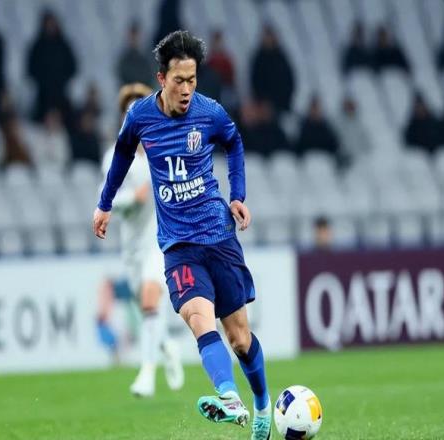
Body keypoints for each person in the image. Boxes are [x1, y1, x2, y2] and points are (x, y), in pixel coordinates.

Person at [93, 31, 272, 439]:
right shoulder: (140, 117)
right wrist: (105, 203)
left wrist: (238, 195)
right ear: (162, 79)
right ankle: (229, 397)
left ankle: (262, 404)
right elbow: (122, 155)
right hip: (178, 247)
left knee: (239, 338)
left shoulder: (210, 112)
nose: (187, 89)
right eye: (179, 81)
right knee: (197, 317)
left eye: (192, 80)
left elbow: (234, 143)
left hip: (219, 237)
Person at [97, 82, 184, 398]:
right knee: (148, 308)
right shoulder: (115, 157)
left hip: (161, 241)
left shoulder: (164, 152)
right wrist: (134, 197)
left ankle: (147, 373)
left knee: (150, 298)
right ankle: (167, 346)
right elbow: (105, 199)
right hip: (131, 247)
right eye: (128, 110)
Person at [27, 9, 77, 124]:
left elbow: (72, 66)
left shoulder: (63, 44)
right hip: (43, 93)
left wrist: (62, 79)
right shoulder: (38, 45)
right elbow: (31, 68)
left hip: (60, 91)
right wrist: (42, 80)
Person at [250, 24, 295, 114]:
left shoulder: (281, 57)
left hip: (281, 104)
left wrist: (285, 99)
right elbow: (255, 81)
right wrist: (262, 101)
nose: (268, 39)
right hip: (264, 107)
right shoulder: (259, 58)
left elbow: (289, 80)